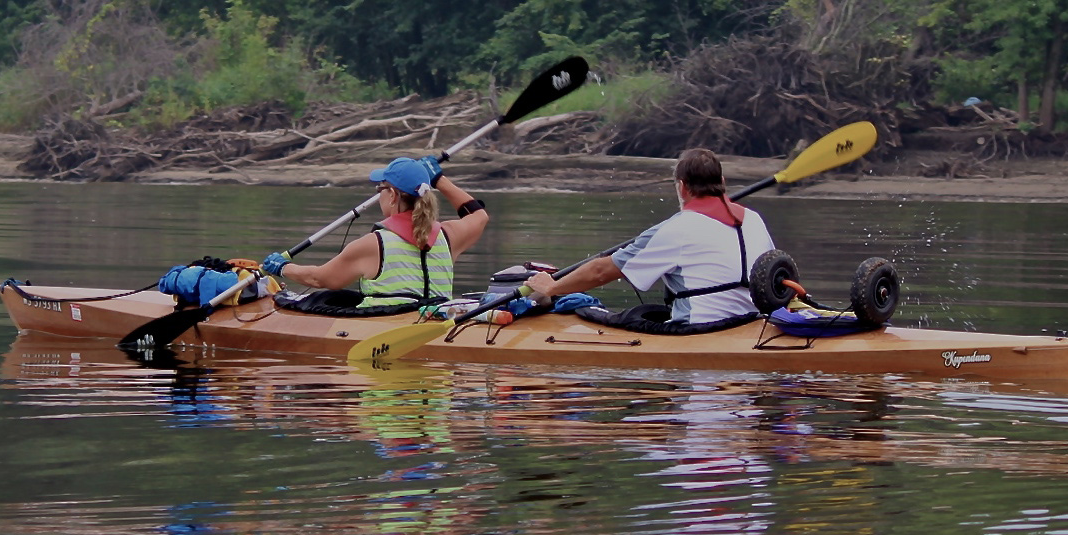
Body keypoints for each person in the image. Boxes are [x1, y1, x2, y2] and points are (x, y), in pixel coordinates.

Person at [522, 147, 770, 334]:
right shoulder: (754, 219)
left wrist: (551, 287)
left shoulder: (676, 229)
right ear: (723, 184)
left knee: (603, 314)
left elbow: (600, 272)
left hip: (699, 330)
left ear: (682, 187)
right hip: (750, 322)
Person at [262, 157, 489, 314]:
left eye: (380, 188)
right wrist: (439, 179)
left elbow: (320, 279)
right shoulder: (448, 235)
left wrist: (282, 267)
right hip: (434, 320)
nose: (379, 194)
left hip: (382, 325)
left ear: (392, 195)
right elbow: (478, 215)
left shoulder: (374, 244)